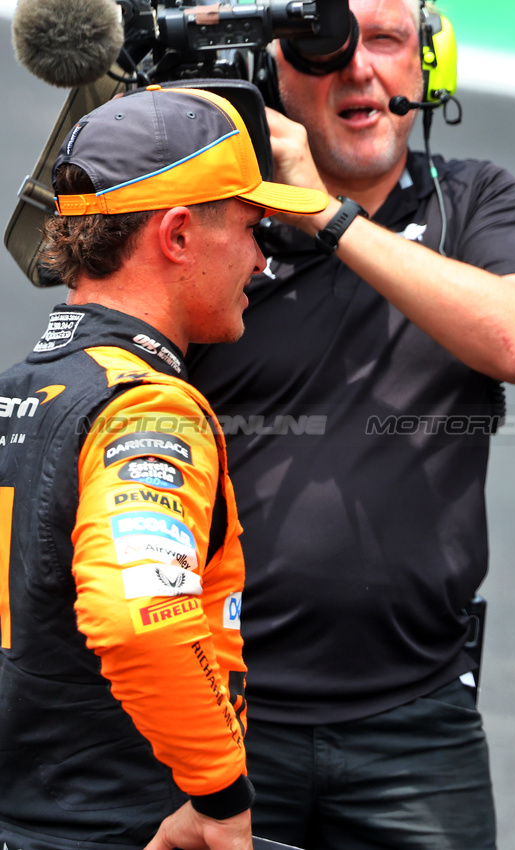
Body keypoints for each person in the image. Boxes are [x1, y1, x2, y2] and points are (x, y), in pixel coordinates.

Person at [184, 0, 515, 847]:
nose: (357, 68)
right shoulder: (215, 217)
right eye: (324, 46)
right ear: (273, 73)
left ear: (430, 64)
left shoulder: (477, 202)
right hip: (220, 709)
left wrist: (330, 217)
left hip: (416, 723)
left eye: (386, 40)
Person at [0, 86, 328, 850]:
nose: (260, 255)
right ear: (178, 235)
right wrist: (219, 797)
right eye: (251, 228)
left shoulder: (15, 391)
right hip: (117, 826)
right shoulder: (145, 409)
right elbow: (140, 616)